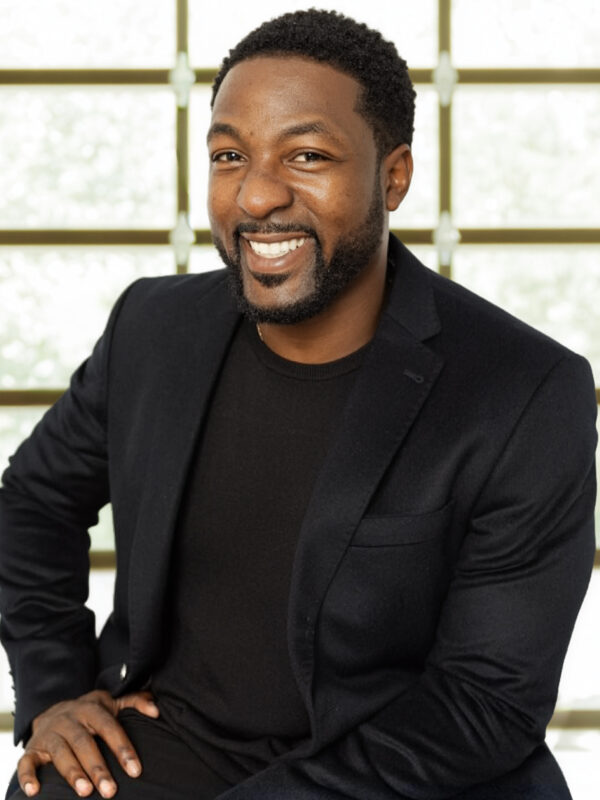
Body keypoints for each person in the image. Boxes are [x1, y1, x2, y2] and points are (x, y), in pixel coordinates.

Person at [0, 9, 596, 800]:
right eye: (230, 155)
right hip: (172, 745)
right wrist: (55, 693)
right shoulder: (154, 327)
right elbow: (32, 502)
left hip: (402, 774)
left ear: (393, 176)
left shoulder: (525, 391)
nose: (256, 195)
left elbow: (484, 704)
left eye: (307, 155)